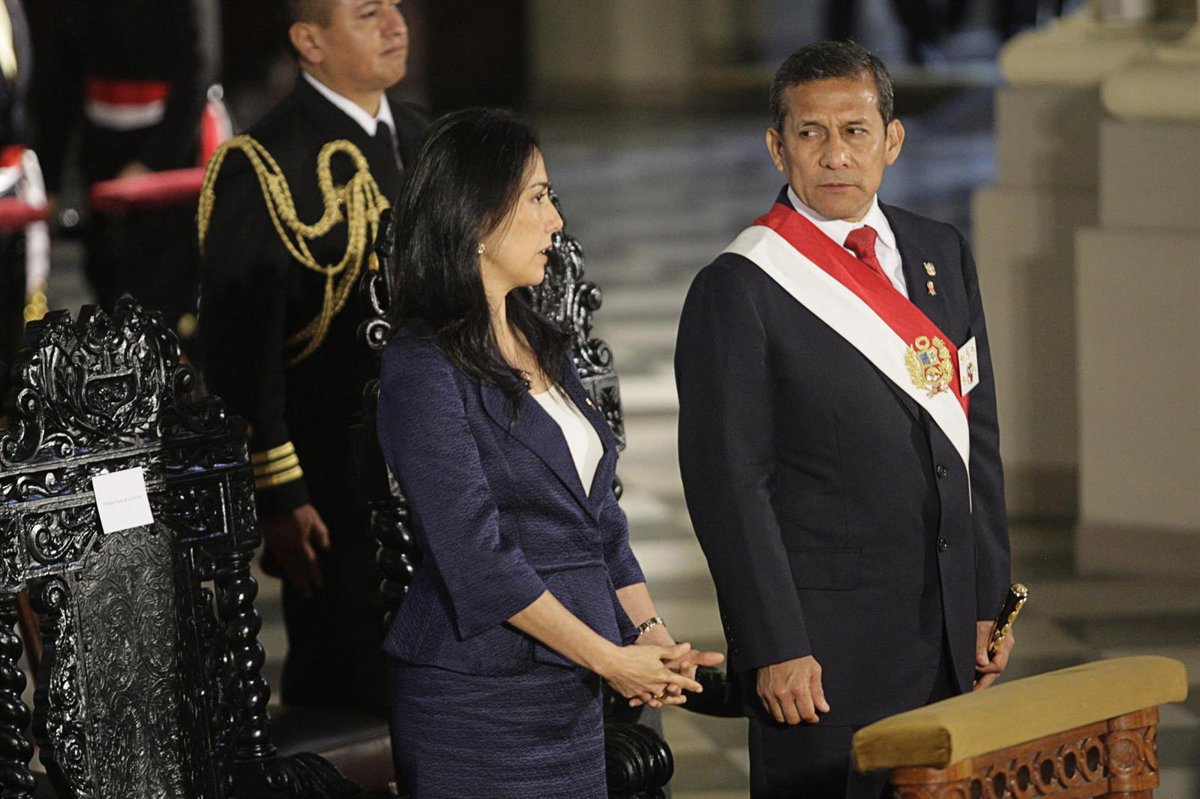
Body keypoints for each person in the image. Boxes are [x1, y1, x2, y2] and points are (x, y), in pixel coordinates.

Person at [674, 41, 1014, 799]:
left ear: (892, 140)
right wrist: (774, 643)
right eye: (810, 133)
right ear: (777, 147)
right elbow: (731, 486)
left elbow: (975, 434)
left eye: (855, 130)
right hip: (822, 656)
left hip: (946, 629)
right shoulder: (741, 287)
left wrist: (988, 598)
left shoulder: (940, 252)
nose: (835, 155)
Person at [376, 107, 723, 798]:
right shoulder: (421, 366)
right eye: (537, 197)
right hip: (478, 694)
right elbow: (476, 560)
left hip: (572, 679)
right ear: (476, 217)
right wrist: (609, 660)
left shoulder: (543, 340)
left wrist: (649, 634)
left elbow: (602, 523)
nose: (556, 221)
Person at [197, 0, 427, 715]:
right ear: (310, 41)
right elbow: (241, 348)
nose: (395, 24)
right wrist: (280, 493)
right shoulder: (263, 162)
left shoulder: (425, 138)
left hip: (433, 455)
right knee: (348, 671)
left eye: (395, 7)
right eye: (368, 13)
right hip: (333, 476)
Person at [29, 0, 212, 344]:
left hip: (167, 165)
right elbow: (60, 80)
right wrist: (48, 181)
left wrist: (152, 162)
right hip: (102, 157)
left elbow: (197, 68)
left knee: (162, 300)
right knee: (107, 283)